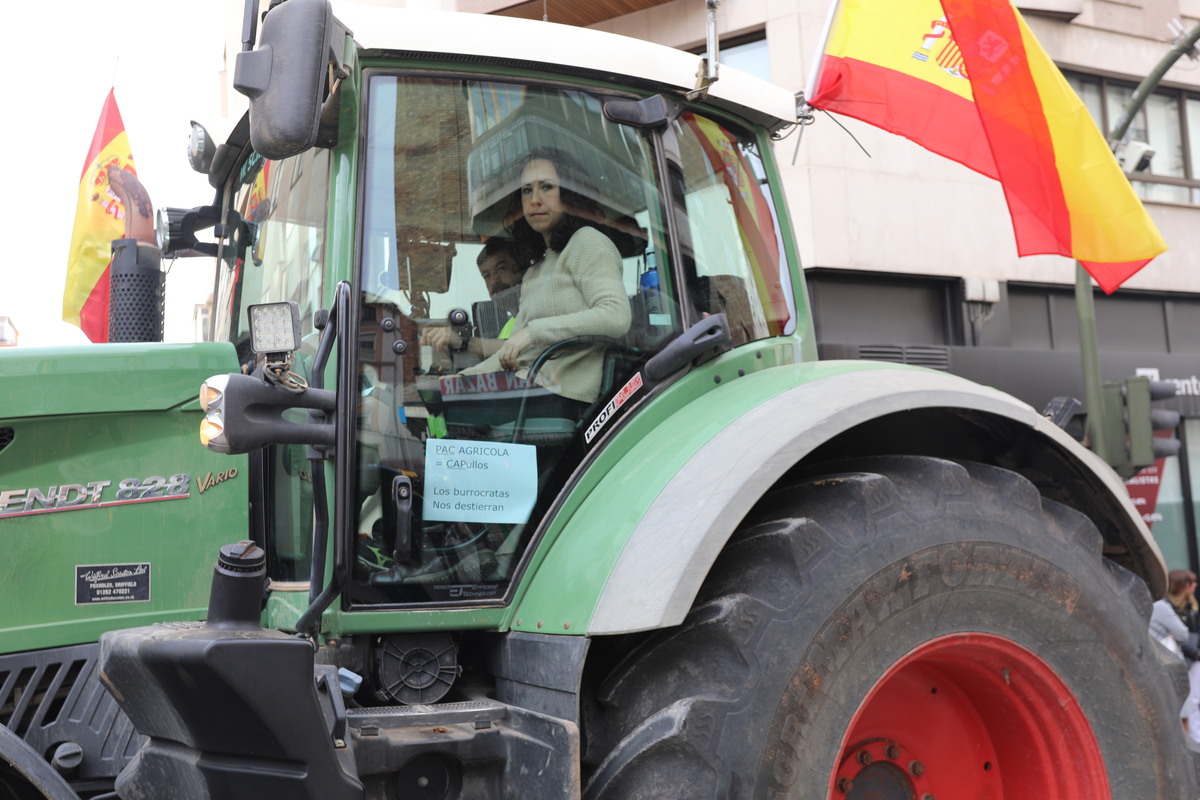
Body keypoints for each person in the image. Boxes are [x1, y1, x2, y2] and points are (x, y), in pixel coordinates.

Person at [460, 146, 631, 411]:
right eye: (527, 190)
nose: (534, 200)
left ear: (570, 195)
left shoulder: (586, 241)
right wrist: (461, 381)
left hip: (566, 399)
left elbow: (616, 317)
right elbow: (513, 347)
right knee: (448, 405)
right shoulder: (535, 271)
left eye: (547, 187)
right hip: (529, 392)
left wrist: (533, 332)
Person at [421, 237, 523, 360]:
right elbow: (502, 355)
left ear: (521, 269)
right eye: (486, 275)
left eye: (501, 269)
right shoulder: (509, 324)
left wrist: (463, 342)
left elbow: (526, 350)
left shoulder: (536, 313)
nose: (494, 280)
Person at [1167, 569, 1200, 744]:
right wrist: (1195, 652)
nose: (1194, 586)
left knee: (1194, 702)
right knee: (1189, 702)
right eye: (1190, 583)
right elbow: (1180, 637)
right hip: (1181, 660)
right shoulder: (1167, 607)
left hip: (1194, 661)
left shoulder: (1192, 608)